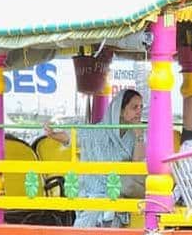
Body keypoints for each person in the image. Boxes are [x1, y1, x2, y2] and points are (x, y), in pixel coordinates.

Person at [44, 89, 145, 227]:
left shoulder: (134, 135)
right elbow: (71, 137)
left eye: (141, 107)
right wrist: (52, 134)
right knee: (92, 213)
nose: (139, 111)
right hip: (95, 191)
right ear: (120, 111)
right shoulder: (96, 131)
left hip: (119, 191)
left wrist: (139, 136)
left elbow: (137, 165)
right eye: (134, 107)